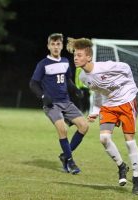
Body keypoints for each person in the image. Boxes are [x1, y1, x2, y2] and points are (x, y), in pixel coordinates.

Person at [66, 37, 138, 195]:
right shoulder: (83, 77)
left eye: (79, 55)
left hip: (127, 101)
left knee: (129, 142)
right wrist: (95, 111)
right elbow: (99, 93)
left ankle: (136, 178)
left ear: (89, 57)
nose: (76, 58)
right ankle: (121, 166)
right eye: (75, 55)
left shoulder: (106, 66)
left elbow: (126, 67)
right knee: (104, 139)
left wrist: (130, 87)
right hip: (109, 105)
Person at [29, 33, 89, 175]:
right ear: (48, 46)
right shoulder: (43, 64)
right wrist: (43, 96)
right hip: (52, 105)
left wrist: (75, 90)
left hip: (66, 102)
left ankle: (64, 156)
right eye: (53, 44)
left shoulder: (65, 62)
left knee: (84, 126)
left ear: (62, 46)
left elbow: (67, 80)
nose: (55, 47)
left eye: (58, 44)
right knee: (63, 129)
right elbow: (33, 83)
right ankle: (70, 161)